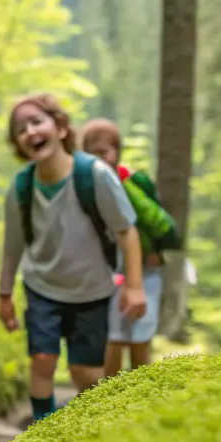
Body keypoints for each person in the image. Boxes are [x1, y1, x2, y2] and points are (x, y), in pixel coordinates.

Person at [0, 94, 147, 423]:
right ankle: (41, 433)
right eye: (21, 129)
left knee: (87, 373)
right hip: (42, 287)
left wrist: (134, 286)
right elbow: (13, 246)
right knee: (42, 359)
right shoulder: (21, 187)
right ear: (19, 145)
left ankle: (91, 431)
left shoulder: (94, 174)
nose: (30, 132)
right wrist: (5, 295)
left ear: (61, 128)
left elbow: (127, 230)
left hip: (92, 291)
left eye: (37, 122)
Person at [79, 118, 181, 376]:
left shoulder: (134, 183)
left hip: (146, 269)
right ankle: (108, 395)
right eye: (92, 153)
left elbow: (155, 221)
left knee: (141, 331)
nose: (99, 158)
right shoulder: (84, 187)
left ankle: (139, 391)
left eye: (104, 151)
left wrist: (154, 252)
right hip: (108, 271)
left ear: (117, 152)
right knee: (113, 334)